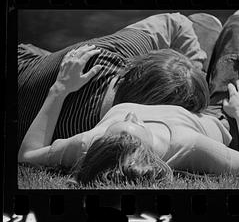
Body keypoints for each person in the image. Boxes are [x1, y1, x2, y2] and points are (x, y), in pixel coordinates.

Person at [18, 10, 239, 185]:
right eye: (140, 124)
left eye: (113, 128)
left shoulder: (90, 143)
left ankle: (201, 57)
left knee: (202, 22)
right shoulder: (189, 144)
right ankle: (205, 57)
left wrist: (60, 90)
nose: (133, 114)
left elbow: (28, 155)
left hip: (172, 94)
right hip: (225, 115)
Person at [18, 12, 209, 148]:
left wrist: (193, 67)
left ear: (135, 65)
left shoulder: (111, 52)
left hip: (27, 65)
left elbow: (176, 21)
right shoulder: (97, 135)